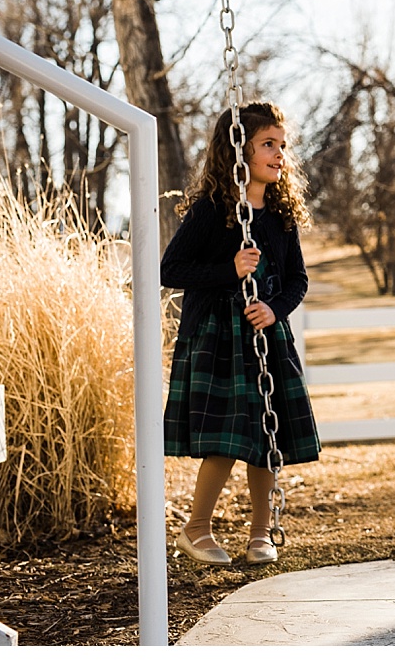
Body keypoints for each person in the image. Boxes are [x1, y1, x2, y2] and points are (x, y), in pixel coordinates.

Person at [162, 101, 320, 566]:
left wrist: (274, 310)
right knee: (228, 437)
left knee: (266, 438)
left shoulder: (279, 214)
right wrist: (229, 270)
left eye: (282, 146)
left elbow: (298, 280)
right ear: (239, 151)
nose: (279, 154)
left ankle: (259, 534)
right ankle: (196, 529)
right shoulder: (214, 212)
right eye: (268, 145)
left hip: (265, 337)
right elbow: (172, 267)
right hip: (219, 339)